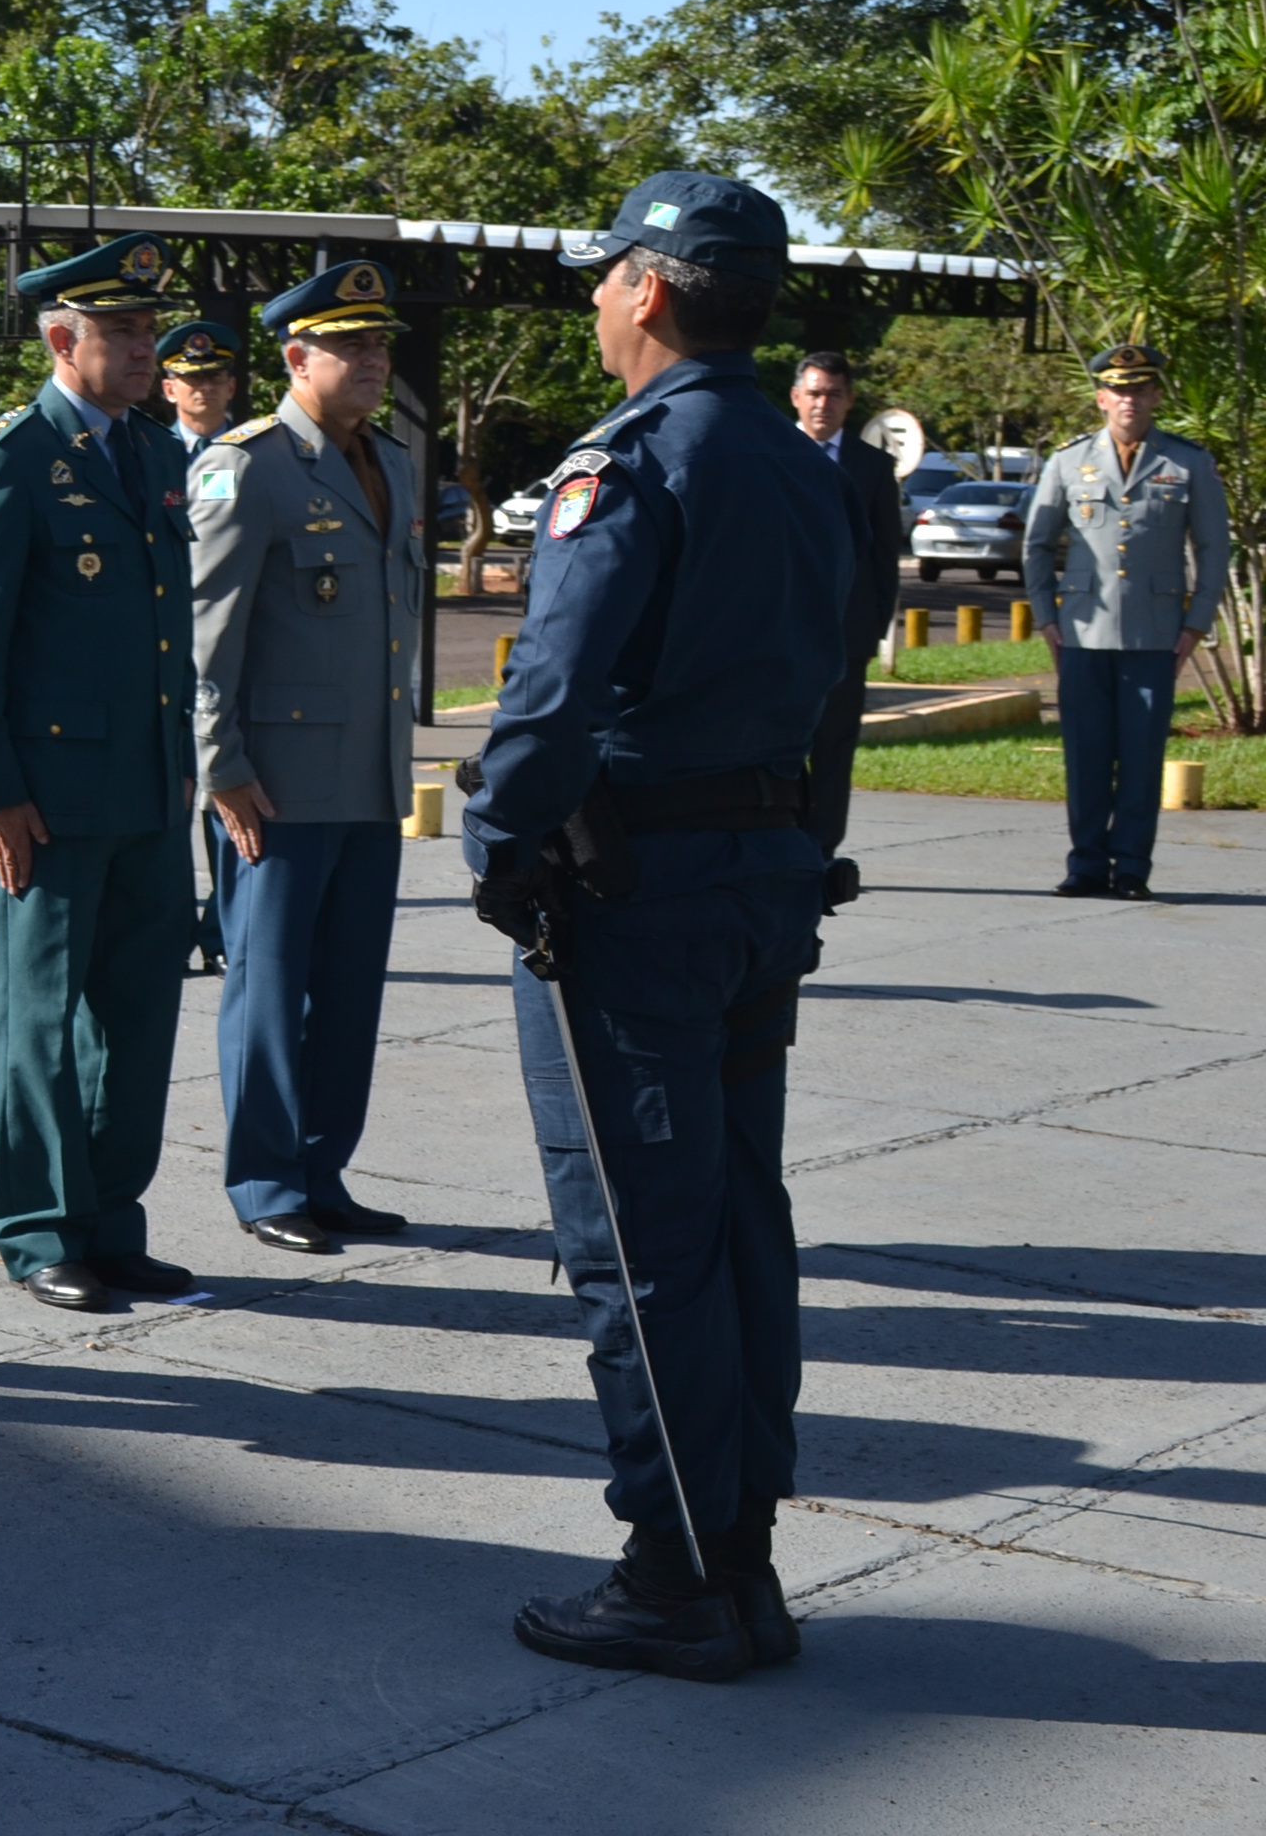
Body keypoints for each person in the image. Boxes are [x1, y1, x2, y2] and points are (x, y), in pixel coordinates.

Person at [465, 171, 851, 1682]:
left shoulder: (630, 461)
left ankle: (680, 1575)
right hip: (758, 879)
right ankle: (739, 1558)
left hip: (635, 899)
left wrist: (501, 845)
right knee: (741, 1223)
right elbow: (835, 687)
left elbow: (553, 692)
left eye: (606, 270)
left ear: (652, 288)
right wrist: (798, 848)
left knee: (638, 1245)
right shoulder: (800, 460)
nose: (593, 295)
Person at [0, 232, 200, 1313]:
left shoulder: (155, 454)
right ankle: (41, 1228)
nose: (143, 349)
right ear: (60, 339)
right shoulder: (9, 456)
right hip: (47, 797)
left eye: (147, 330)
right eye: (120, 331)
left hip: (148, 787)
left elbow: (170, 631)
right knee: (41, 1021)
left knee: (137, 1018)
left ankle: (108, 1221)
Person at [187, 261, 422, 1257]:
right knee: (271, 989)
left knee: (350, 989)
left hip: (368, 773)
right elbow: (207, 633)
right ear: (295, 358)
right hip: (274, 783)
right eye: (349, 345)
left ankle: (323, 1172)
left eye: (379, 344)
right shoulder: (247, 466)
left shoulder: (391, 460)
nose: (372, 360)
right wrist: (221, 766)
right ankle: (266, 1180)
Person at [1023, 341, 1229, 900]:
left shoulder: (1187, 462)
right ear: (1100, 399)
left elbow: (1213, 548)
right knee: (1086, 754)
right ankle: (1086, 864)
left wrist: (1195, 626)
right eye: (1118, 390)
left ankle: (1133, 866)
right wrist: (1046, 618)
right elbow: (1036, 545)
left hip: (1154, 633)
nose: (1128, 400)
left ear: (1156, 395)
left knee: (1141, 757)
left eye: (1139, 389)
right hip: (1082, 631)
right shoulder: (1069, 461)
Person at [785, 352, 906, 857]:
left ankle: (821, 851)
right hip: (778, 637)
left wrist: (870, 630)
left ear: (850, 400)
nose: (823, 404)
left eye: (834, 394)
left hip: (843, 640)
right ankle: (778, 845)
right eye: (814, 393)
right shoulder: (767, 453)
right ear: (795, 396)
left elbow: (884, 557)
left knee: (833, 749)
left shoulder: (872, 467)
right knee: (777, 748)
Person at [158, 316, 243, 974]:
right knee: (165, 802)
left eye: (214, 377)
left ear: (231, 386)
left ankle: (222, 929)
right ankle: (167, 928)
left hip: (228, 652)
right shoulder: (146, 452)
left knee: (224, 797)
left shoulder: (252, 455)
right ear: (168, 388)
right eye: (190, 379)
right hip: (161, 653)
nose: (203, 389)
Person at [157, 319, 241, 455]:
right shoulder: (153, 451)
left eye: (215, 376)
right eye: (193, 377)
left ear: (231, 387)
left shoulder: (254, 449)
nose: (207, 387)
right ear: (170, 390)